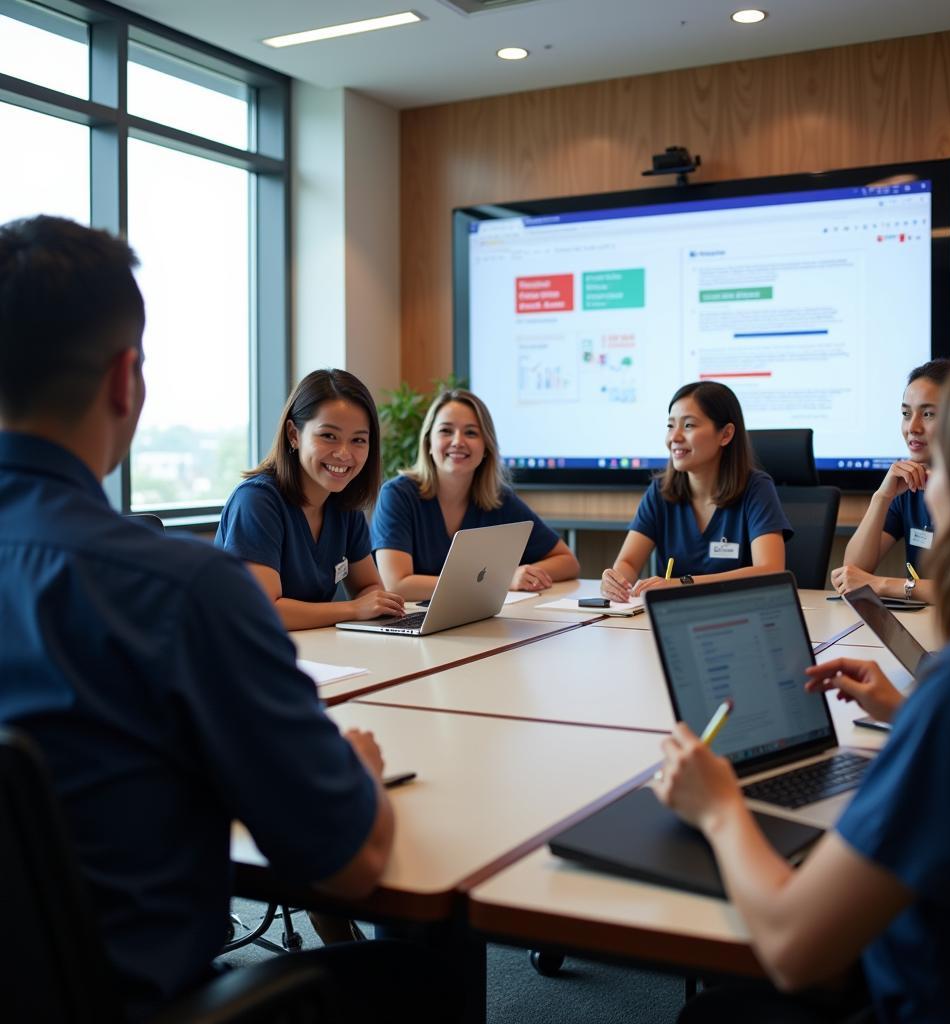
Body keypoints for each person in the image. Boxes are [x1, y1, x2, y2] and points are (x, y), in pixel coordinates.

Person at [0, 216, 459, 1022]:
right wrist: (349, 772)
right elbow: (354, 863)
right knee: (425, 979)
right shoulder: (183, 593)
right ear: (125, 379)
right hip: (147, 999)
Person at [655, 326, 950, 1022]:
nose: (925, 472)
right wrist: (909, 714)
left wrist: (719, 807)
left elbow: (794, 946)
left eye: (943, 459)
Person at [216, 369, 406, 630]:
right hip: (244, 655)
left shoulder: (344, 504)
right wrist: (353, 608)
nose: (344, 453)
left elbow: (369, 587)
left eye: (358, 440)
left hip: (312, 651)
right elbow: (264, 609)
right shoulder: (257, 501)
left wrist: (372, 605)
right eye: (328, 436)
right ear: (294, 434)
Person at [372, 388, 579, 601]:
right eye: (446, 431)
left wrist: (522, 575)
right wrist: (501, 580)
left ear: (486, 447)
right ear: (428, 443)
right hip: (411, 625)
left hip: (475, 620)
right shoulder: (397, 495)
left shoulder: (499, 499)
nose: (457, 441)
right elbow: (397, 585)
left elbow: (567, 561)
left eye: (471, 432)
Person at [601, 381, 790, 601]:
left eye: (688, 425)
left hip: (741, 615)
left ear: (726, 434)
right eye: (670, 426)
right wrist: (616, 582)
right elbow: (628, 563)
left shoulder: (756, 488)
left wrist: (683, 584)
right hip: (676, 618)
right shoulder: (661, 490)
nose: (674, 437)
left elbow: (771, 570)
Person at [832, 359, 950, 604]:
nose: (912, 427)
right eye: (906, 414)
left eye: (928, 414)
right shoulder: (910, 485)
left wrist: (884, 585)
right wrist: (882, 497)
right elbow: (853, 572)